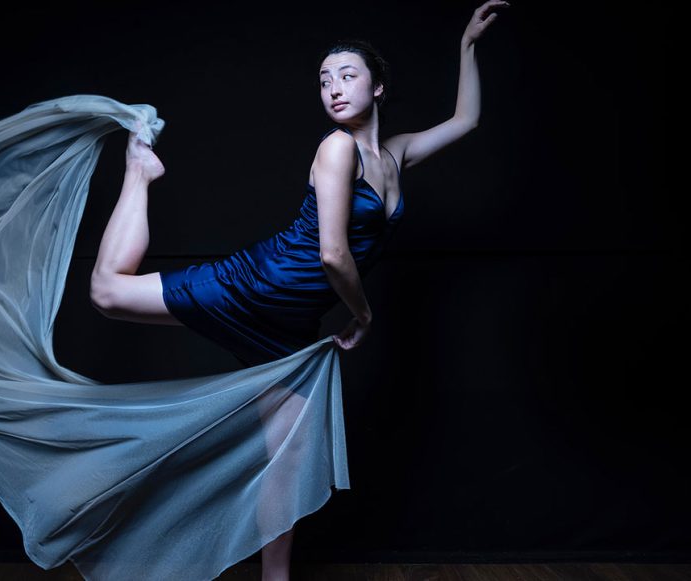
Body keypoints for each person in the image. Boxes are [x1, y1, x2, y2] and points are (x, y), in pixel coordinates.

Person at [87, 2, 508, 578]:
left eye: (347, 75)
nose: (333, 88)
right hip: (258, 287)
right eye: (324, 79)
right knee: (108, 294)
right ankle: (139, 170)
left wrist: (466, 44)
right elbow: (333, 253)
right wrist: (363, 315)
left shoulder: (394, 154)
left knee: (286, 460)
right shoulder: (336, 147)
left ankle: (275, 578)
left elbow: (465, 122)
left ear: (379, 87)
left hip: (293, 323)